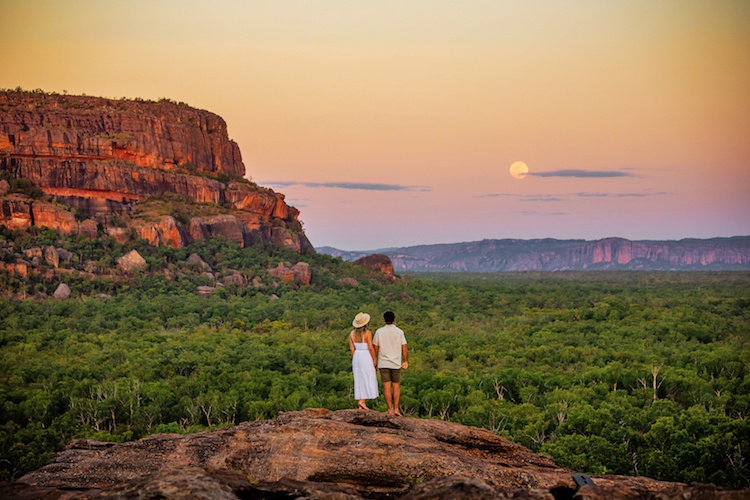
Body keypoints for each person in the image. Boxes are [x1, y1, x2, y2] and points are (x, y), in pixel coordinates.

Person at [373, 311, 408, 416]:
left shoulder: (379, 332)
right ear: (394, 319)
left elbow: (375, 347)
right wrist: (405, 360)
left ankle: (389, 409)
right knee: (396, 386)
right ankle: (396, 409)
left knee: (386, 387)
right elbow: (404, 347)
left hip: (383, 363)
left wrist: (374, 361)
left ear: (384, 319)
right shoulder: (399, 332)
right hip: (396, 363)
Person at [348, 312, 378, 410]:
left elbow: (352, 349)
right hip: (366, 355)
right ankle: (362, 401)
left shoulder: (352, 334)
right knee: (367, 377)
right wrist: (374, 358)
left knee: (359, 378)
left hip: (357, 356)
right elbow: (370, 347)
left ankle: (360, 401)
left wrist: (355, 358)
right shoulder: (367, 333)